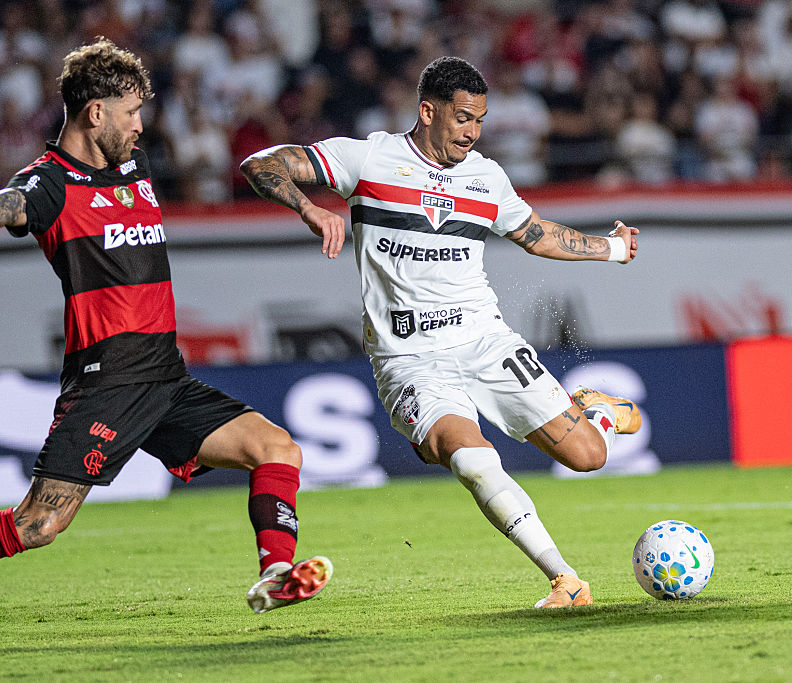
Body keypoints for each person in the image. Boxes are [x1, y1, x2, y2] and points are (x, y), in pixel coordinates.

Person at [0, 38, 332, 655]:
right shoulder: (50, 183)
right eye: (130, 113)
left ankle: (274, 573)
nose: (140, 126)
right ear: (95, 113)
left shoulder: (135, 167)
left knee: (277, 448)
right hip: (105, 384)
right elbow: (8, 204)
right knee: (38, 523)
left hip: (165, 378)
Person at [240, 56, 642, 609]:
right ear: (428, 112)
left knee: (588, 456)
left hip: (485, 341)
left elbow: (535, 234)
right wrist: (310, 209)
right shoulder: (369, 159)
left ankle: (597, 411)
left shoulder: (487, 177)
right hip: (410, 360)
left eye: (480, 120)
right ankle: (565, 580)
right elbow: (260, 164)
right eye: (462, 118)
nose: (472, 132)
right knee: (468, 455)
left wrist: (613, 248)